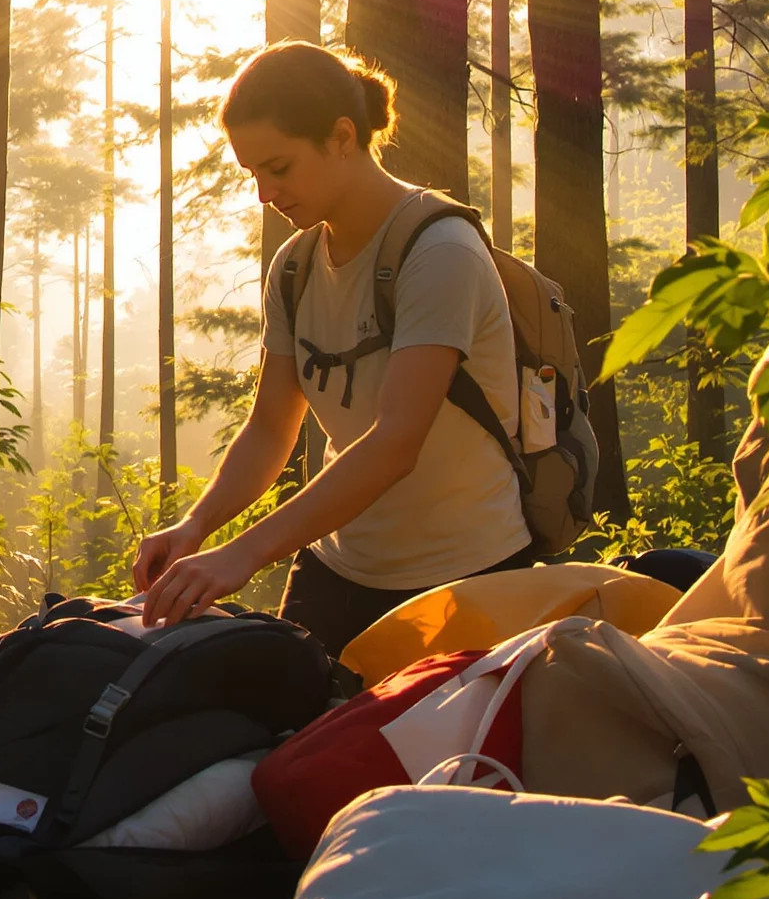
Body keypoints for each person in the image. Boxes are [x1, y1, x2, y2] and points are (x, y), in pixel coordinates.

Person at [133, 40, 532, 656]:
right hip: (340, 570)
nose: (264, 193)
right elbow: (271, 428)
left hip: (466, 577)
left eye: (279, 167)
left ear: (343, 136)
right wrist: (197, 525)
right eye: (253, 173)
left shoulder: (440, 252)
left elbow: (396, 442)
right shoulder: (294, 268)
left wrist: (244, 553)